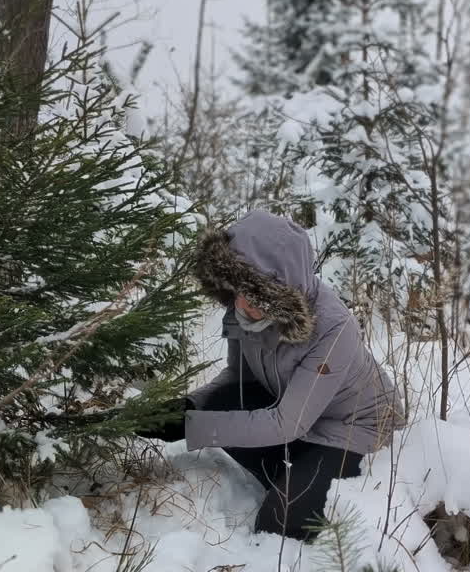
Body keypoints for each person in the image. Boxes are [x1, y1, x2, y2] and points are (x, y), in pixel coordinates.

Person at [136, 210, 403, 541]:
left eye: (254, 294)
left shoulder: (335, 328)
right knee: (221, 402)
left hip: (354, 431)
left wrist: (192, 427)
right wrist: (186, 407)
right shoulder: (243, 309)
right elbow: (237, 379)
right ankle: (303, 475)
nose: (242, 303)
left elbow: (286, 424)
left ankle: (313, 482)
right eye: (237, 290)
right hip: (299, 414)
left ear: (278, 292)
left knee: (280, 522)